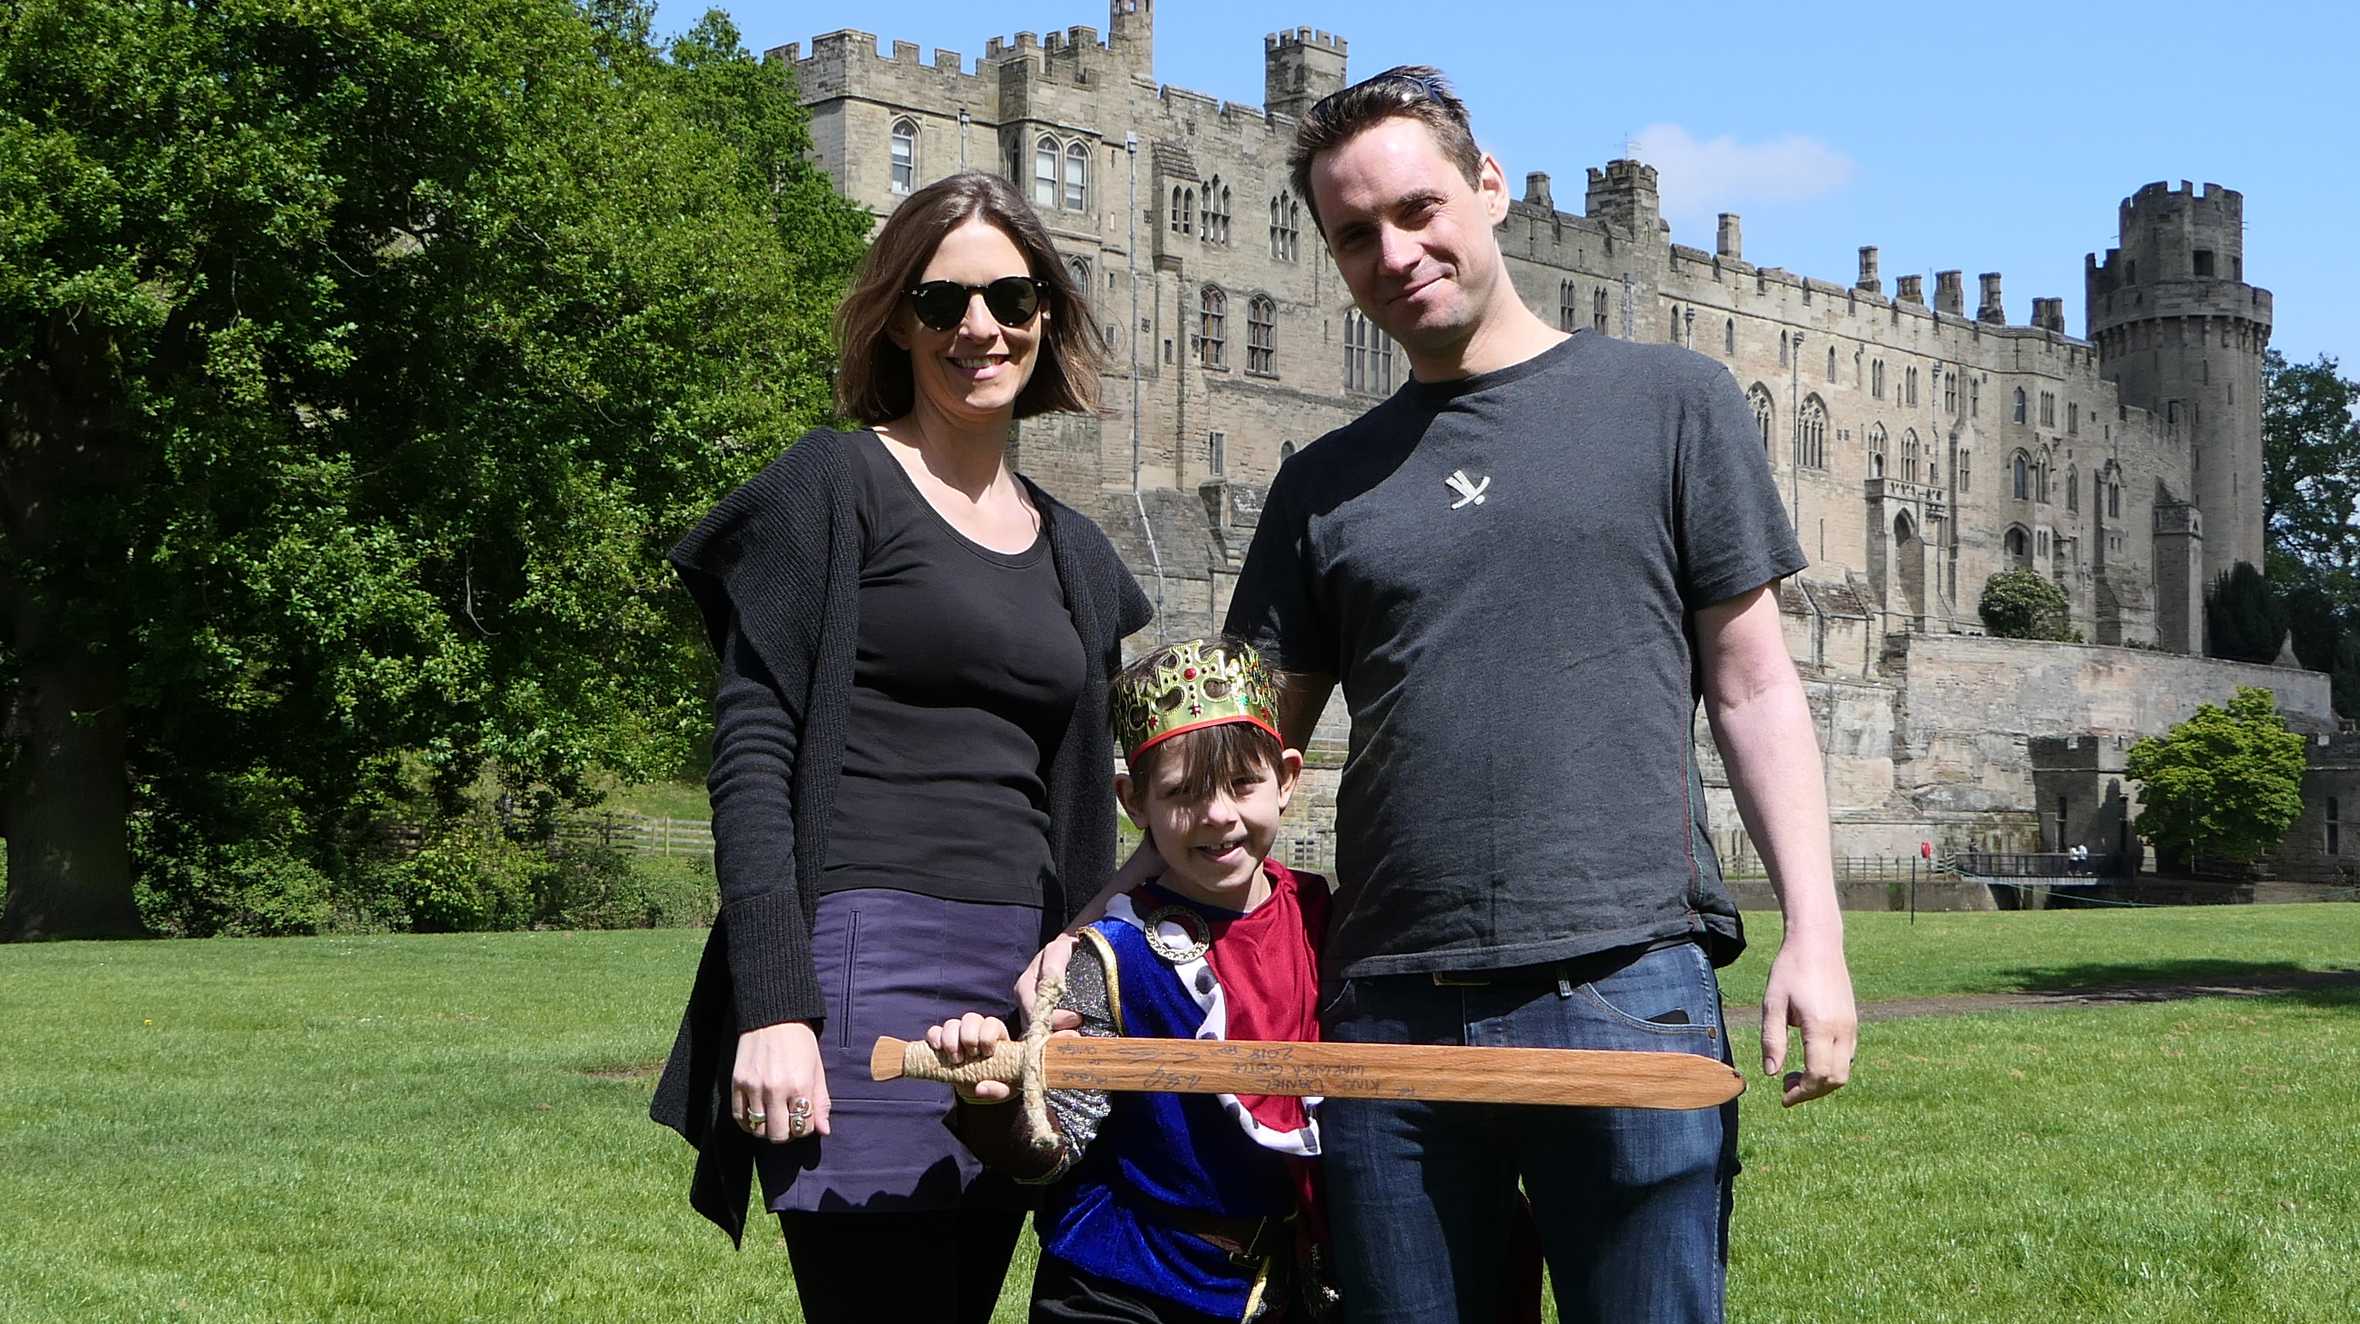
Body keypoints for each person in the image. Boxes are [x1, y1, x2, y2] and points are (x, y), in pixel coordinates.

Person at [1205, 68, 1859, 1323]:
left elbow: (1755, 682)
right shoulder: (1320, 483)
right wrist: (1101, 924)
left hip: (1624, 984)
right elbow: (1237, 762)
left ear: (1488, 186)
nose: (1394, 253)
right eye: (1355, 234)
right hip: (1386, 1006)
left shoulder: (1673, 404)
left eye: (1417, 208)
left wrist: (1814, 937)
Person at [648, 170, 1152, 1324]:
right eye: (943, 303)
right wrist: (775, 1002)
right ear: (896, 319)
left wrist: (1079, 964)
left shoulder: (1075, 554)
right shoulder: (834, 488)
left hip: (1022, 980)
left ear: (1047, 316)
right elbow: (752, 756)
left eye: (1010, 298)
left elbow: (1106, 798)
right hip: (858, 964)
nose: (979, 327)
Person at [925, 636, 1339, 1324]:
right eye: (1182, 793)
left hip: (1277, 1291)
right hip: (1121, 1292)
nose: (1217, 815)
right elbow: (1049, 1150)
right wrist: (992, 1101)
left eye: (1242, 785)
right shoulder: (1113, 955)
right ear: (1134, 802)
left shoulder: (1322, 922)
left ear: (1288, 779)